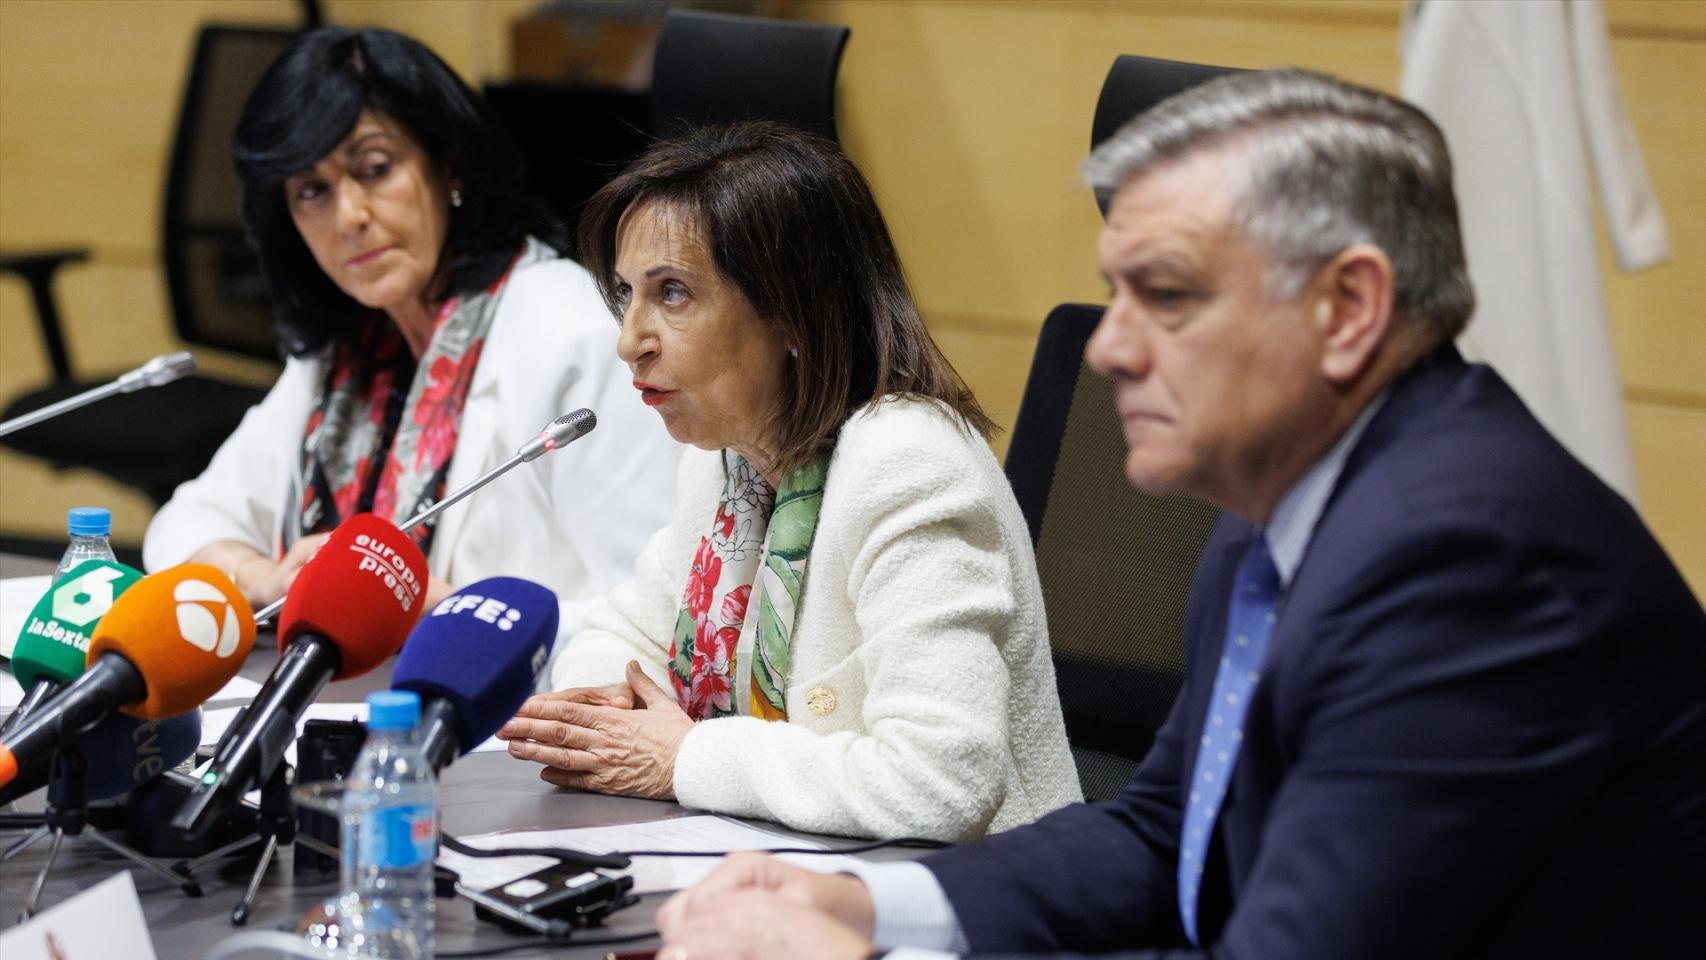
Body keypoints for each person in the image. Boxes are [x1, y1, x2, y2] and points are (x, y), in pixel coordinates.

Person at [651, 70, 1706, 959]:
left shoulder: (1469, 560)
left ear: (1346, 310)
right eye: (1113, 295)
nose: (1107, 350)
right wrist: (867, 908)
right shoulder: (1283, 501)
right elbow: (1168, 836)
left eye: (1164, 296)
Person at [497, 122, 1080, 841]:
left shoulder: (909, 464)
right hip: (783, 874)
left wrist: (685, 755)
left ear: (791, 311)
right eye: (627, 294)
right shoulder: (727, 461)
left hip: (969, 910)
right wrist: (631, 719)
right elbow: (617, 637)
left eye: (673, 294)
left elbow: (943, 782)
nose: (630, 340)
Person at [142, 27, 679, 628]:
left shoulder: (575, 335)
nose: (349, 218)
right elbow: (184, 524)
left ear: (448, 166)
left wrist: (451, 614)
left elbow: (658, 621)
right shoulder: (348, 351)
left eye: (374, 168)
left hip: (518, 709)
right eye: (311, 190)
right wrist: (263, 577)